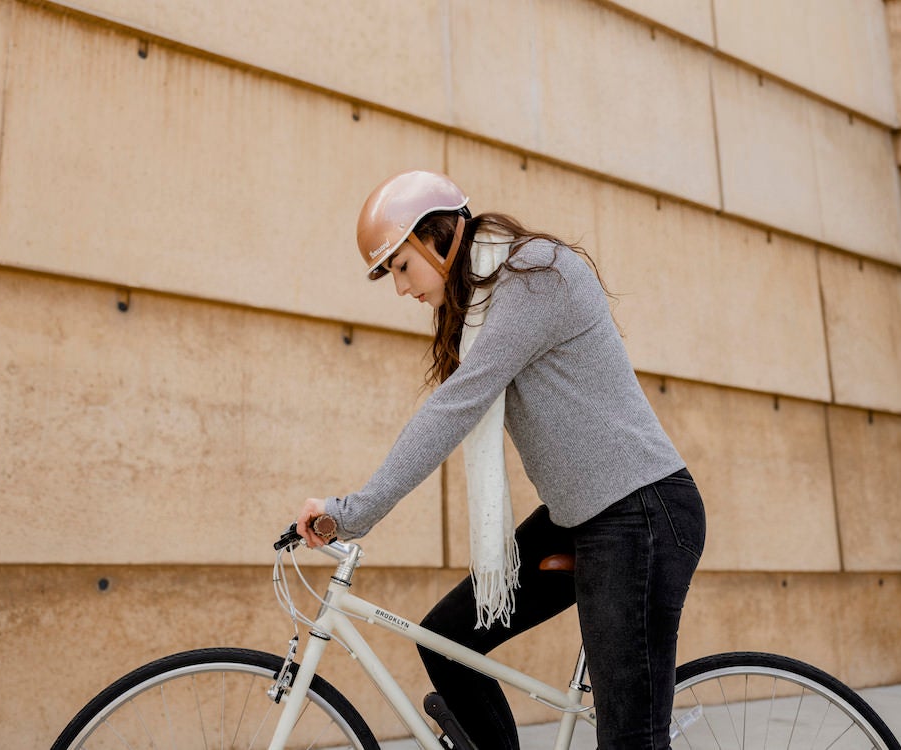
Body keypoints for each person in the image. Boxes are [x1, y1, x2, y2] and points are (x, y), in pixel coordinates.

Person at [296, 170, 706, 749]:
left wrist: (354, 510)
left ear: (439, 236)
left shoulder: (532, 274)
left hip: (641, 514)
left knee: (630, 740)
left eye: (402, 266)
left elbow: (455, 407)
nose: (400, 289)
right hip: (581, 519)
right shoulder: (482, 309)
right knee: (448, 639)